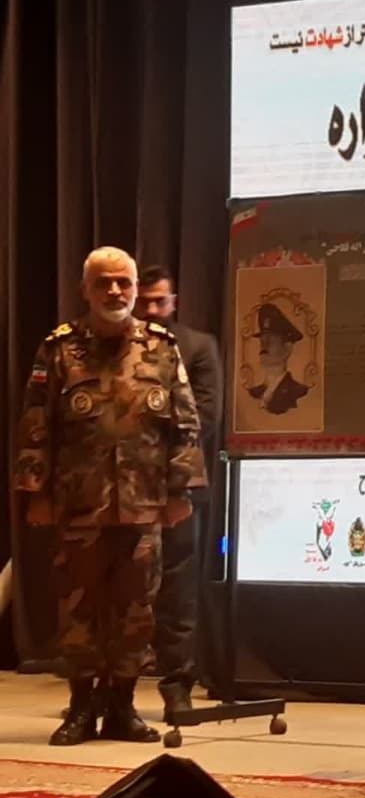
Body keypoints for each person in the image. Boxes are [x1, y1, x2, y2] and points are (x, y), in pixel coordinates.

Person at [14, 246, 206, 745]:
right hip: (78, 505)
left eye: (124, 282)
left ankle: (122, 706)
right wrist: (35, 492)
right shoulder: (59, 349)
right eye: (104, 283)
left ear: (137, 289)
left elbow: (185, 424)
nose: (115, 291)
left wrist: (181, 490)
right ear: (85, 290)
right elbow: (36, 425)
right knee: (77, 610)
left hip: (143, 504)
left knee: (136, 612)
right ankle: (81, 707)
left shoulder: (162, 349)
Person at [134, 264, 223, 720]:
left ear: (175, 302)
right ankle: (109, 693)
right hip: (118, 491)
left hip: (177, 488)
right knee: (118, 594)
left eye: (160, 301)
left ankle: (178, 687)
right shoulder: (114, 346)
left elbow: (204, 418)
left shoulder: (198, 347)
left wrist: (141, 448)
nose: (152, 309)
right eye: (145, 301)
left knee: (178, 592)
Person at [247, 303, 309, 414]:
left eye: (270, 340)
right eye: (262, 340)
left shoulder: (299, 393)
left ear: (287, 349)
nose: (263, 346)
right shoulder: (253, 394)